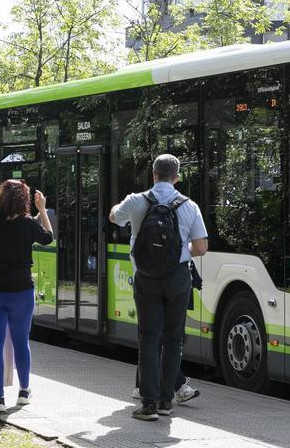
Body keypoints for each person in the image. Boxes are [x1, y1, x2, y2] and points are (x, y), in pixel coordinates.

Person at [110, 154, 208, 421]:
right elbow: (201, 248)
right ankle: (167, 401)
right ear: (176, 177)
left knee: (149, 339)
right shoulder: (190, 206)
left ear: (153, 174)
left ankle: (149, 404)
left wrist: (125, 201)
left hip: (146, 277)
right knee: (173, 340)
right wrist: (179, 249)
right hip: (178, 278)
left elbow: (114, 218)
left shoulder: (136, 200)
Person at [0, 180, 53, 412]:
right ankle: (24, 391)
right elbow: (49, 237)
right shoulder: (28, 223)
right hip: (22, 294)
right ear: (23, 201)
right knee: (21, 343)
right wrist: (43, 210)